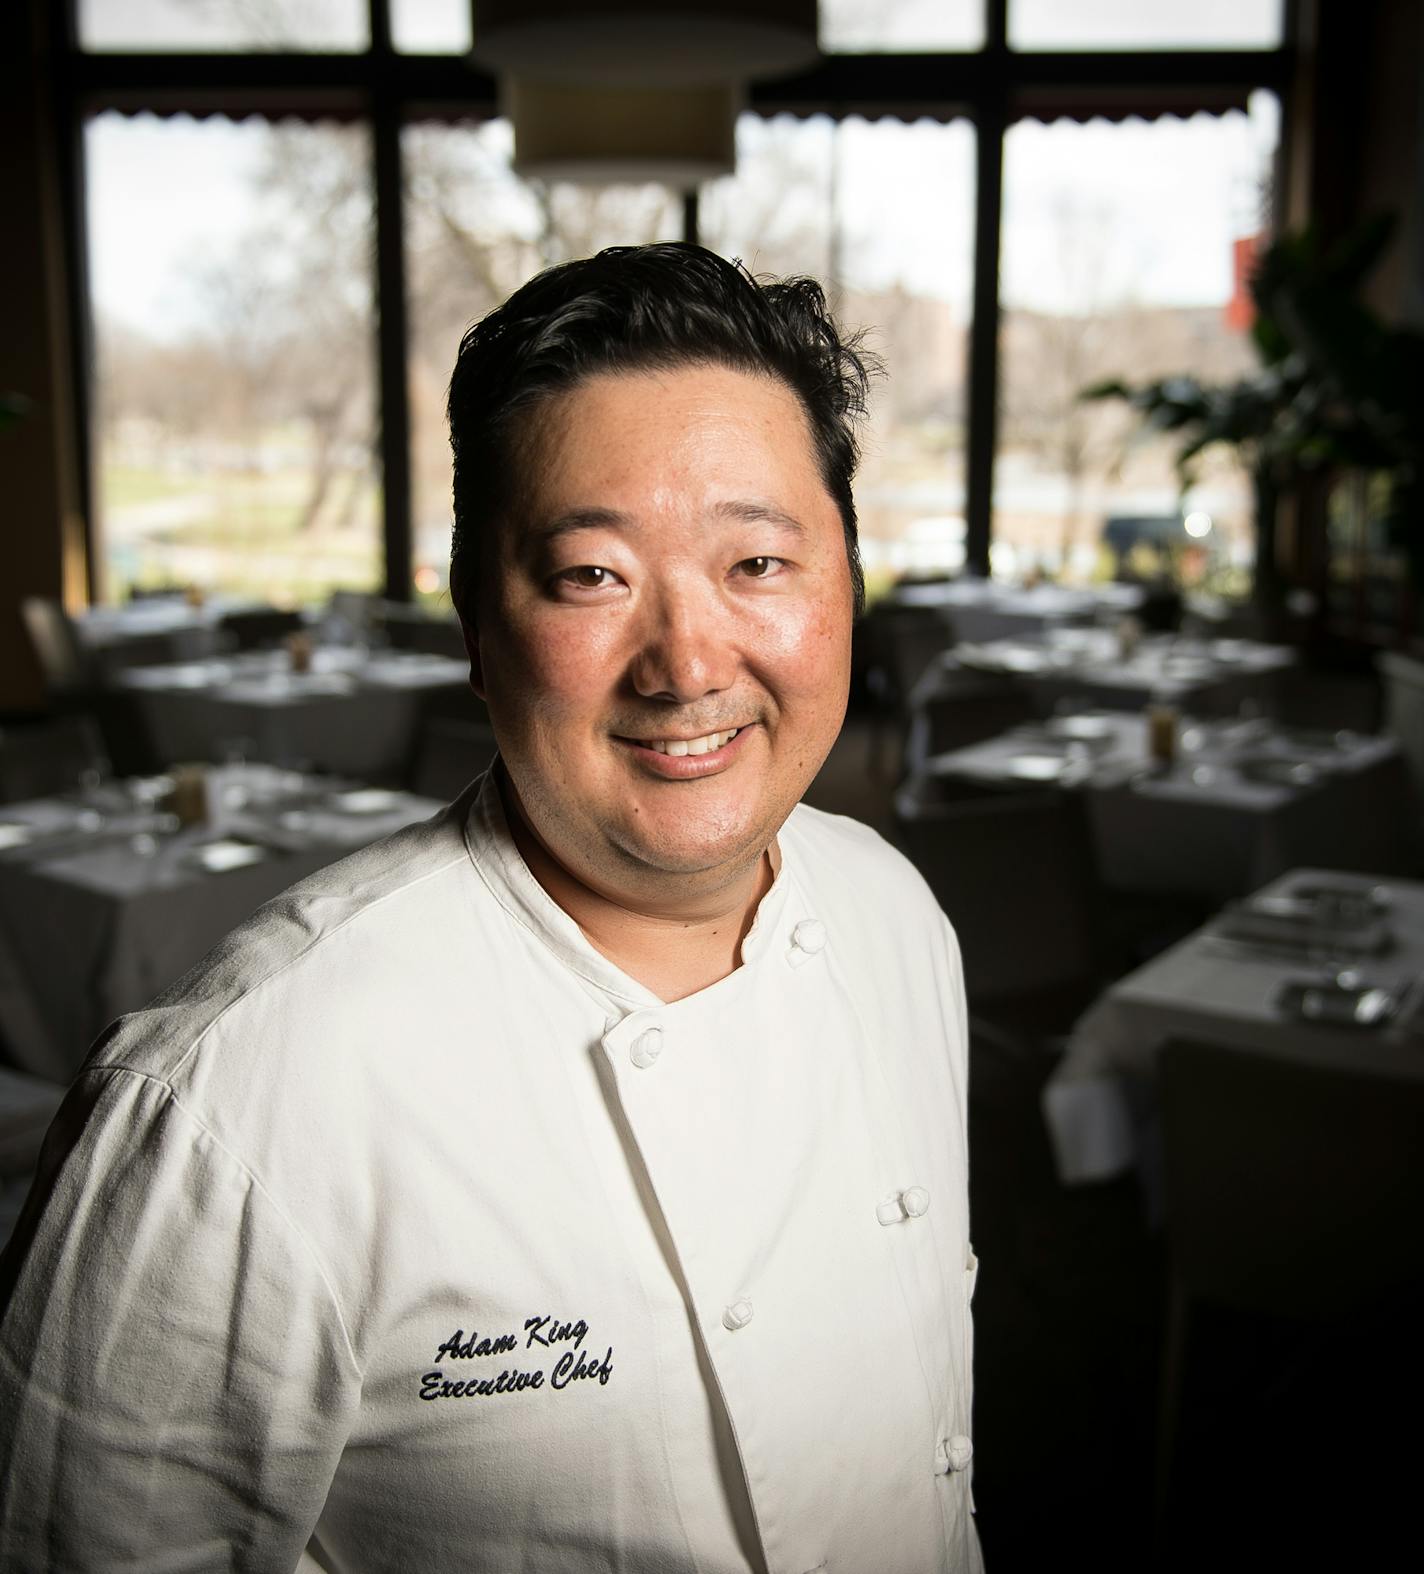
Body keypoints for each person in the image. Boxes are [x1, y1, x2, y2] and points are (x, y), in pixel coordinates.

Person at [0, 243, 981, 1572]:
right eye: (591, 574)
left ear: (846, 584)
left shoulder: (896, 916)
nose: (689, 661)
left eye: (758, 561)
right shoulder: (240, 1097)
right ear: (474, 617)